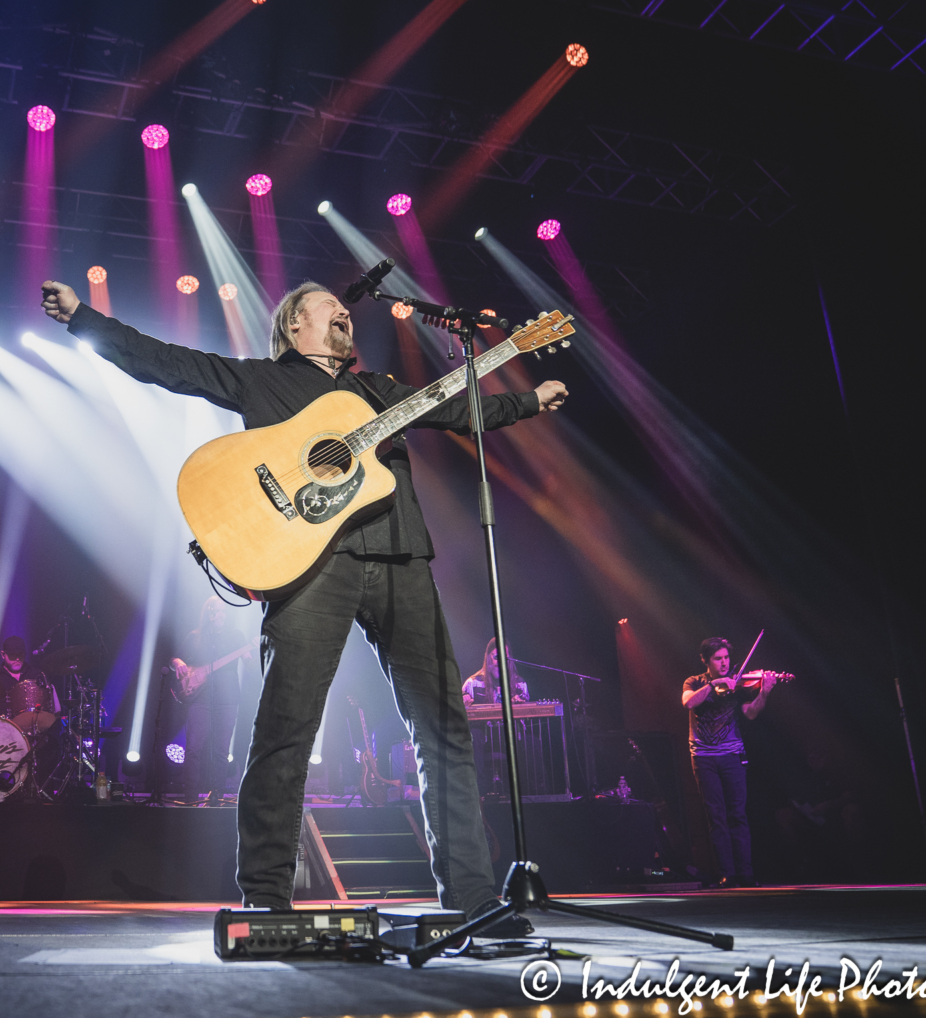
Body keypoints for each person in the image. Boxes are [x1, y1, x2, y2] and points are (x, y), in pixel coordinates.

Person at [41, 277, 568, 918]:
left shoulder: (376, 391)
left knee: (442, 728)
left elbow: (457, 410)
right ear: (294, 324)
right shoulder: (263, 380)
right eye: (330, 309)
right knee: (286, 729)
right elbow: (167, 364)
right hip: (309, 564)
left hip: (401, 555)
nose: (345, 314)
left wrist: (527, 401)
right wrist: (83, 319)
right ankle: (266, 896)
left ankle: (473, 895)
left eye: (346, 311)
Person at [681, 636, 777, 887]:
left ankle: (746, 873)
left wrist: (764, 693)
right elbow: (688, 702)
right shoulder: (694, 682)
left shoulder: (738, 683)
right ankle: (727, 873)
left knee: (738, 814)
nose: (724, 664)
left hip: (732, 755)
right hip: (703, 758)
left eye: (726, 658)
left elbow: (751, 713)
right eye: (718, 659)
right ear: (706, 660)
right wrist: (714, 685)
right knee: (716, 816)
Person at [175, 595, 252, 804]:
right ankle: (190, 796)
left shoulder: (236, 636)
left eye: (223, 612)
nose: (221, 615)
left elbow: (249, 663)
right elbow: (176, 656)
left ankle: (217, 795)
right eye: (217, 611)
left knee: (221, 750)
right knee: (193, 747)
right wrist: (179, 662)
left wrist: (254, 654)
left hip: (227, 700)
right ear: (208, 613)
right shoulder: (196, 636)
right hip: (200, 699)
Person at [463, 637, 528, 705]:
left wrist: (517, 705)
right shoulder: (472, 684)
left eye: (504, 656)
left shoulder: (520, 684)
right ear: (488, 658)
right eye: (496, 656)